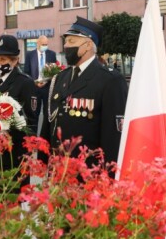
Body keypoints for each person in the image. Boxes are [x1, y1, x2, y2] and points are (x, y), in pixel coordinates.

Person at [41, 16, 127, 167]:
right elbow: (50, 122)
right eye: (66, 41)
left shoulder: (110, 79)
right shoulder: (60, 78)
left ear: (88, 45)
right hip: (58, 169)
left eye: (72, 42)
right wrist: (42, 159)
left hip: (88, 171)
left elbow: (113, 135)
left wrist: (107, 174)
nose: (66, 46)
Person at [0, 34, 38, 187]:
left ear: (15, 60)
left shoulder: (25, 83)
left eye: (3, 60)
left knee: (11, 198)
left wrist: (9, 134)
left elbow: (31, 121)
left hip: (13, 151)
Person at [23, 35, 57, 122]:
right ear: (37, 43)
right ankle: (33, 134)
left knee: (47, 114)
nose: (45, 46)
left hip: (47, 88)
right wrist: (34, 82)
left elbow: (54, 71)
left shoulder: (52, 54)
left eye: (46, 44)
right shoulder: (30, 55)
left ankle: (45, 134)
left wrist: (46, 81)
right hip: (34, 88)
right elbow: (26, 72)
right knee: (34, 113)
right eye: (43, 44)